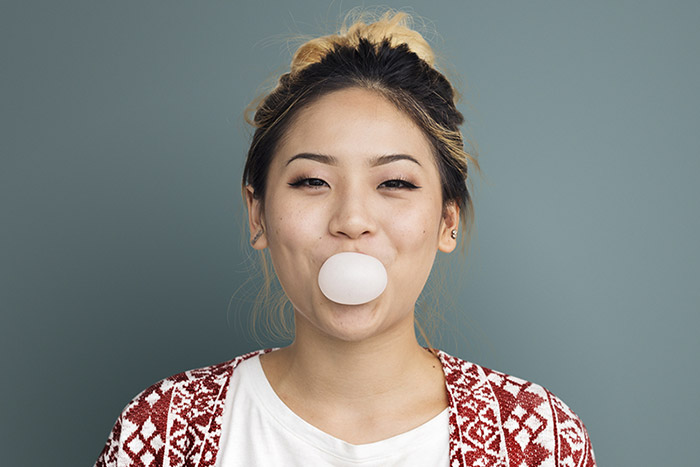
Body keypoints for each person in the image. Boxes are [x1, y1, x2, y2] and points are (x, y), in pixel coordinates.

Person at [95, 10, 595, 467]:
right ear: (258, 215)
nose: (352, 219)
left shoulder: (539, 442)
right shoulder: (162, 432)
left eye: (394, 183)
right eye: (312, 181)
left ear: (447, 220)